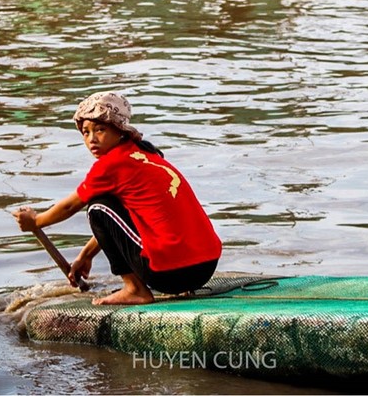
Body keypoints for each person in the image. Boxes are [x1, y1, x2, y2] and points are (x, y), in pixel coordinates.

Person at [12, 91, 222, 305]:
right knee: (106, 206)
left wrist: (36, 221)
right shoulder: (145, 155)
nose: (92, 139)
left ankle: (135, 288)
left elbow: (70, 206)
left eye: (100, 130)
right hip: (205, 267)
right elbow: (120, 222)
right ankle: (150, 283)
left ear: (120, 131)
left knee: (96, 208)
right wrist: (86, 255)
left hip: (172, 274)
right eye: (85, 132)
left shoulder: (111, 165)